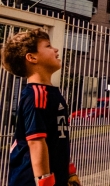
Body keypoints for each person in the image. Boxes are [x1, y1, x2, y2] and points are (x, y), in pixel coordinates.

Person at [1, 28, 81, 186]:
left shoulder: (52, 92)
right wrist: (44, 181)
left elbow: (59, 138)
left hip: (56, 177)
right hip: (32, 181)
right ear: (31, 57)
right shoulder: (35, 95)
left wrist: (69, 172)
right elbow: (36, 142)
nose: (56, 49)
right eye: (48, 46)